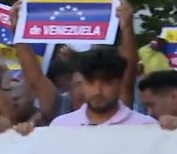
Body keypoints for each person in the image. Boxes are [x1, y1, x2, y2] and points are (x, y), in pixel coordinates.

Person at [26, 46, 156, 129]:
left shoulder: (146, 127)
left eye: (107, 82)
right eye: (90, 82)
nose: (97, 91)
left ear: (120, 83)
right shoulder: (60, 126)